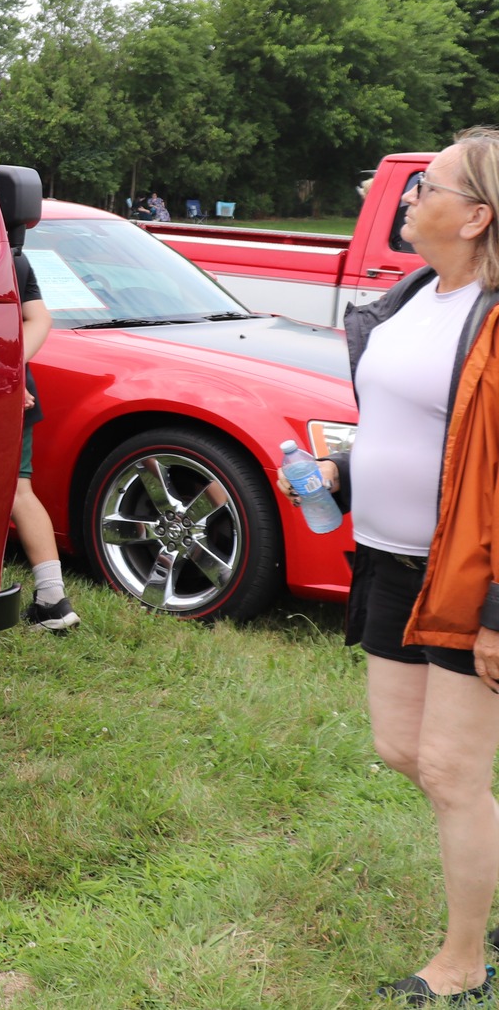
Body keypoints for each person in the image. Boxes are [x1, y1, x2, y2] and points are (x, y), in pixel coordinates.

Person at [288, 129, 499, 1004]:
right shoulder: (411, 296)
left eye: (429, 185)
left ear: (477, 216)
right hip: (386, 560)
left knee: (452, 770)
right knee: (400, 748)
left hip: (468, 575)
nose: (410, 195)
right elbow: (400, 425)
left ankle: (464, 960)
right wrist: (340, 471)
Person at [13, 247, 77, 630]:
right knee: (19, 492)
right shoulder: (8, 253)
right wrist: (11, 370)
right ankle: (53, 600)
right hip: (12, 388)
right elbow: (40, 318)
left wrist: (5, 371)